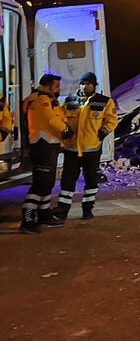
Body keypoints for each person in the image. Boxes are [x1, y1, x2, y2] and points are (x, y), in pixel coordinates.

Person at [54, 72, 117, 221]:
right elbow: (60, 118)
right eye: (82, 83)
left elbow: (112, 120)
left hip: (92, 149)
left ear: (94, 85)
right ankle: (62, 210)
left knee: (91, 180)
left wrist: (104, 131)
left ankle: (87, 209)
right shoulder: (70, 101)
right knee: (67, 181)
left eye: (88, 83)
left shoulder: (104, 102)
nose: (84, 86)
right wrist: (64, 131)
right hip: (72, 150)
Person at [20, 73, 72, 234]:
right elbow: (50, 119)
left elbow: (58, 117)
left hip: (49, 145)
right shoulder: (41, 99)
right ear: (48, 85)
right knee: (40, 184)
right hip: (43, 146)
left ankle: (44, 214)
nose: (59, 89)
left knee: (47, 183)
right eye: (56, 86)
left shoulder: (47, 98)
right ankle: (27, 220)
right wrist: (65, 130)